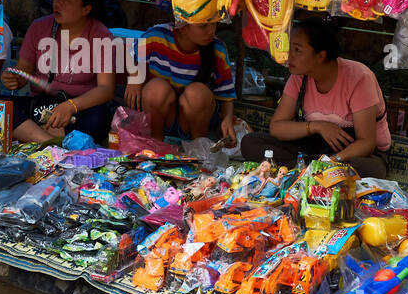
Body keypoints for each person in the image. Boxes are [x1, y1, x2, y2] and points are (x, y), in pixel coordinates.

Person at [240, 17, 391, 177]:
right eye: (290, 48)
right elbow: (276, 127)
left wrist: (332, 160)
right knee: (250, 143)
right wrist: (317, 126)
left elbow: (366, 143)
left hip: (352, 153)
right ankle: (312, 170)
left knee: (372, 169)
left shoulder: (359, 77)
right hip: (313, 147)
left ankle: (313, 169)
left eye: (297, 50)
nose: (289, 56)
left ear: (320, 56)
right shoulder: (299, 77)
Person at [1, 0, 115, 143]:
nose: (57, 3)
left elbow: (106, 89)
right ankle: (51, 142)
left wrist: (71, 106)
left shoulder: (101, 36)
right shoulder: (39, 27)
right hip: (41, 107)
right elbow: (22, 70)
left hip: (78, 111)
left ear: (86, 9)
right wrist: (14, 78)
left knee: (98, 119)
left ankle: (33, 135)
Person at [126, 19, 236, 141]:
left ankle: (198, 146)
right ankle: (155, 142)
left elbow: (226, 94)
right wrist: (134, 81)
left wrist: (227, 119)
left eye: (214, 23)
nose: (211, 31)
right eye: (203, 26)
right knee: (156, 89)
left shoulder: (218, 48)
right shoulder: (157, 35)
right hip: (163, 116)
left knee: (197, 93)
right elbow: (133, 54)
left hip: (196, 119)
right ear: (183, 28)